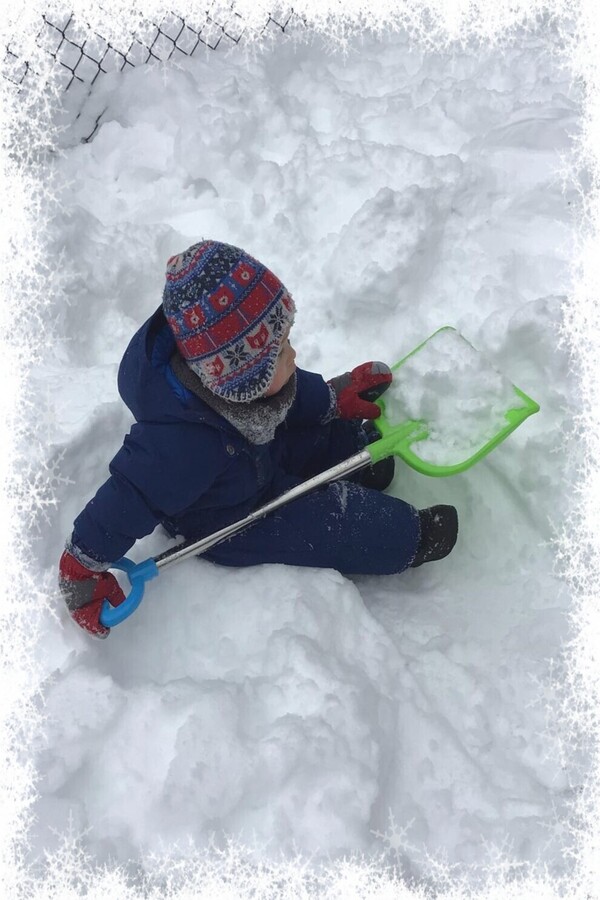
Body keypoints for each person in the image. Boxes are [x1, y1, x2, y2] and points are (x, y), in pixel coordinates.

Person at [58, 240, 458, 638]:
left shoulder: (233, 376)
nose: (294, 354)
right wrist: (81, 569)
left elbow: (287, 394)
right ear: (242, 380)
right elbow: (129, 496)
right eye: (281, 351)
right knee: (333, 522)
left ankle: (360, 455)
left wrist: (333, 398)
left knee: (326, 437)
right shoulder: (178, 445)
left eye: (285, 342)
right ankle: (409, 536)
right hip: (235, 516)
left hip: (257, 453)